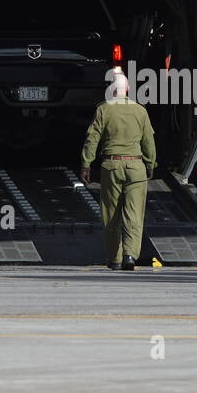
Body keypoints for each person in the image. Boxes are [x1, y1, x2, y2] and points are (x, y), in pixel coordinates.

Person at [80, 70, 156, 270]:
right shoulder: (141, 111)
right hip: (136, 167)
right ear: (128, 89)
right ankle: (130, 256)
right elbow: (149, 141)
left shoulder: (104, 110)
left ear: (110, 90)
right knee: (134, 214)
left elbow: (92, 139)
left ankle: (115, 258)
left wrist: (86, 164)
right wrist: (150, 164)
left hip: (111, 166)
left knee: (111, 214)